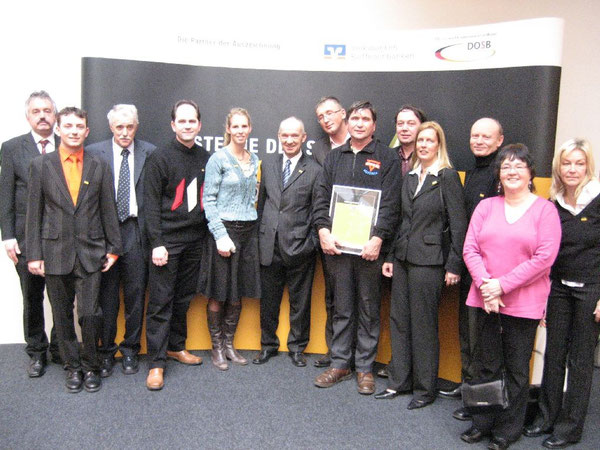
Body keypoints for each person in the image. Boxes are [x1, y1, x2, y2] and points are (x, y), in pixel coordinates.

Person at [460, 144, 561, 450]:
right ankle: (483, 422)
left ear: (531, 173)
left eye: (519, 166)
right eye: (506, 167)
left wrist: (501, 286)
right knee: (485, 365)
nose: (512, 172)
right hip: (485, 298)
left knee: (517, 369)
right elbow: (470, 249)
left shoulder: (545, 210)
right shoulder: (486, 207)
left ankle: (508, 429)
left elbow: (544, 258)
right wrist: (486, 285)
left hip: (523, 302)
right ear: (499, 176)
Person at [26, 107, 122, 393]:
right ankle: (73, 368)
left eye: (79, 126)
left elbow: (108, 208)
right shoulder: (40, 165)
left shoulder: (98, 164)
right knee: (62, 314)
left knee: (90, 314)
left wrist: (114, 247)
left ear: (87, 131)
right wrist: (33, 254)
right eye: (68, 126)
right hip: (55, 252)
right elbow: (34, 214)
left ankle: (91, 366)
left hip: (92, 252)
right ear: (58, 129)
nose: (74, 131)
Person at [376, 121, 467, 409]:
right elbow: (402, 221)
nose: (424, 145)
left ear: (439, 144)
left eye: (430, 140)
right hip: (402, 259)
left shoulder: (448, 177)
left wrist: (454, 264)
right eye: (421, 140)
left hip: (430, 263)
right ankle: (398, 381)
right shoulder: (411, 177)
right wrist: (390, 257)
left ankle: (425, 389)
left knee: (423, 325)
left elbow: (459, 225)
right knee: (399, 321)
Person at [312, 101, 401, 395]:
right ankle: (339, 363)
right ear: (347, 123)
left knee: (368, 308)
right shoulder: (335, 157)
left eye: (365, 119)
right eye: (355, 118)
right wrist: (323, 231)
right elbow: (321, 197)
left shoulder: (387, 158)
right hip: (338, 248)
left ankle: (364, 367)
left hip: (369, 250)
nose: (359, 123)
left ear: (374, 126)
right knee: (341, 308)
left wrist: (378, 238)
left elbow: (391, 204)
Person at [523, 138, 600, 449]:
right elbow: (547, 254)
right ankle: (546, 418)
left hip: (591, 291)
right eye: (567, 163)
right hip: (558, 288)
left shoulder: (598, 200)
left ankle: (569, 429)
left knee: (580, 361)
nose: (572, 169)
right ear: (558, 167)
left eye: (579, 163)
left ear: (587, 167)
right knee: (553, 356)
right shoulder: (553, 203)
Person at [86, 104, 156, 377]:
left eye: (130, 127)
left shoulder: (150, 152)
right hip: (105, 234)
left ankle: (130, 350)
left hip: (136, 233)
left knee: (136, 296)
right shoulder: (94, 153)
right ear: (111, 127)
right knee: (107, 298)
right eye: (119, 127)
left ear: (136, 126)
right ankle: (106, 352)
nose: (125, 132)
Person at [144, 100, 208, 390]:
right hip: (166, 243)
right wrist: (157, 243)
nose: (187, 125)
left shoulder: (206, 157)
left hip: (195, 241)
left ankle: (175, 347)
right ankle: (157, 363)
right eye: (181, 121)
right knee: (161, 303)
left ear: (199, 124)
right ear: (173, 125)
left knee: (183, 299)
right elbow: (150, 205)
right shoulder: (159, 157)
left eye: (191, 121)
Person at [445, 118, 504, 420]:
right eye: (474, 135)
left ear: (499, 140)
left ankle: (480, 399)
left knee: (483, 340)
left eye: (486, 136)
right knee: (467, 335)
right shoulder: (474, 171)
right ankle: (469, 387)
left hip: (489, 273)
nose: (479, 140)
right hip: (469, 267)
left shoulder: (502, 173)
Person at [0, 90, 62, 377]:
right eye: (36, 111)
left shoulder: (68, 144)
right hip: (26, 238)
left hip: (62, 238)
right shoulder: (12, 148)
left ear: (55, 115)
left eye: (47, 111)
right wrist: (7, 236)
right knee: (32, 298)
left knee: (62, 296)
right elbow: (6, 196)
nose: (42, 116)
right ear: (28, 116)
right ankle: (36, 352)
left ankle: (60, 347)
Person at [252, 117, 321, 367]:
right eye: (285, 136)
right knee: (268, 302)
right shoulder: (268, 163)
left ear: (303, 138)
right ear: (278, 137)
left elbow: (318, 211)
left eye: (295, 136)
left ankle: (297, 348)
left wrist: (311, 243)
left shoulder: (314, 169)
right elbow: (261, 205)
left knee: (300, 303)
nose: (289, 140)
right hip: (268, 246)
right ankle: (267, 346)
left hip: (300, 248)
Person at [199, 108, 260, 371]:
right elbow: (208, 200)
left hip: (247, 233)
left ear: (250, 129)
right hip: (223, 233)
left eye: (244, 126)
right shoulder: (218, 159)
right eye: (235, 126)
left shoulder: (254, 158)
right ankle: (217, 349)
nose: (240, 131)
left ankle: (230, 345)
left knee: (237, 294)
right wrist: (221, 236)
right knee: (219, 292)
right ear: (228, 129)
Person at [377, 104, 428, 380]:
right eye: (400, 123)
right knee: (393, 313)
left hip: (416, 249)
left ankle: (413, 373)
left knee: (413, 316)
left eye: (411, 123)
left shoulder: (430, 159)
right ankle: (397, 365)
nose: (405, 128)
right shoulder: (387, 156)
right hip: (385, 240)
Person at [310, 96, 350, 368]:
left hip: (362, 234)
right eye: (321, 116)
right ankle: (335, 350)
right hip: (329, 233)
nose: (326, 119)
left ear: (343, 113)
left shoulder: (365, 143)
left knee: (360, 297)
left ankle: (356, 353)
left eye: (330, 113)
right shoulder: (317, 150)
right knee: (333, 294)